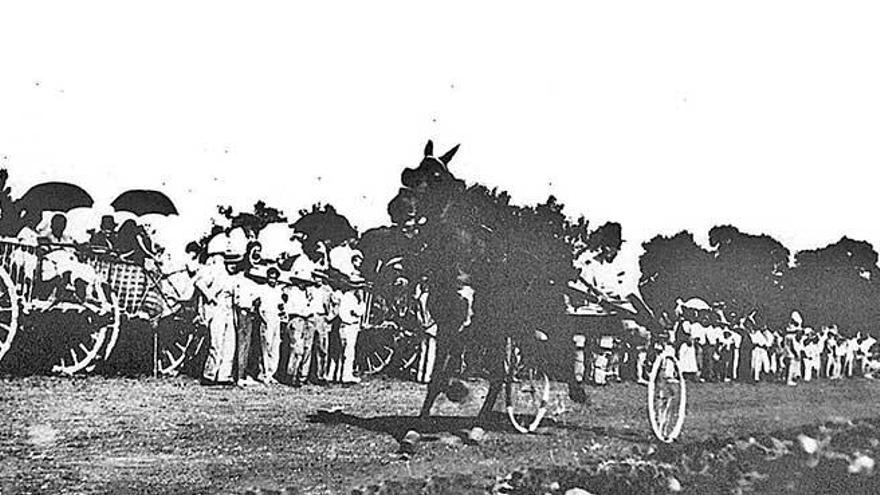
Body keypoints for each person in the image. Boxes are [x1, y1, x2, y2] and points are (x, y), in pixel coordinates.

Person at [196, 247, 237, 386]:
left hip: (229, 310)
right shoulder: (217, 272)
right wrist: (210, 296)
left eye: (236, 262)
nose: (233, 265)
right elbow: (200, 283)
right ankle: (209, 374)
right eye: (231, 262)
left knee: (230, 344)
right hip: (217, 309)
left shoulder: (234, 278)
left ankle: (224, 375)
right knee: (217, 342)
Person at [232, 260, 261, 387]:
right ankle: (239, 376)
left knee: (248, 344)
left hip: (249, 314)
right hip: (242, 313)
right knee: (242, 344)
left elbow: (256, 299)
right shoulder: (238, 280)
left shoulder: (251, 282)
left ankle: (245, 374)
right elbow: (237, 300)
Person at [331, 285, 366, 384]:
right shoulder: (350, 298)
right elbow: (357, 312)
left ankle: (338, 375)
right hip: (349, 326)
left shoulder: (348, 297)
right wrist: (361, 304)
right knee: (348, 352)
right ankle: (346, 376)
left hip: (347, 326)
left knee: (344, 351)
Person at [283, 278, 314, 387]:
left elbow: (310, 308)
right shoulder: (292, 292)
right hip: (296, 319)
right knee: (297, 349)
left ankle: (302, 376)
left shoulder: (308, 293)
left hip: (308, 320)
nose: (303, 284)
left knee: (307, 349)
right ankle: (292, 374)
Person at [256, 267, 284, 385]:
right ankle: (264, 373)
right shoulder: (262, 289)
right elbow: (258, 307)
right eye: (270, 278)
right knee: (265, 347)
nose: (272, 280)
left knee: (275, 347)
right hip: (266, 318)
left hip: (276, 319)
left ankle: (272, 373)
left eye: (274, 278)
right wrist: (264, 320)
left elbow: (280, 306)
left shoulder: (278, 291)